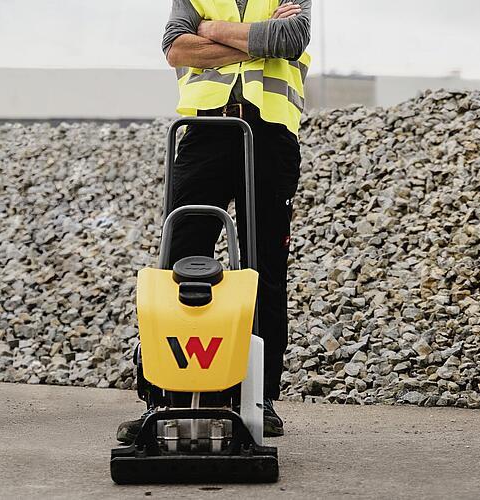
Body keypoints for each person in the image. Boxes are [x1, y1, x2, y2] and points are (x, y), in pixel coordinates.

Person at [122, 0, 311, 440]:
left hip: (270, 136)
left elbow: (292, 39)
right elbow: (175, 49)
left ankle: (259, 399)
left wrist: (210, 29)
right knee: (179, 265)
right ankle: (167, 397)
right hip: (204, 133)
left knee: (265, 270)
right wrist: (258, 41)